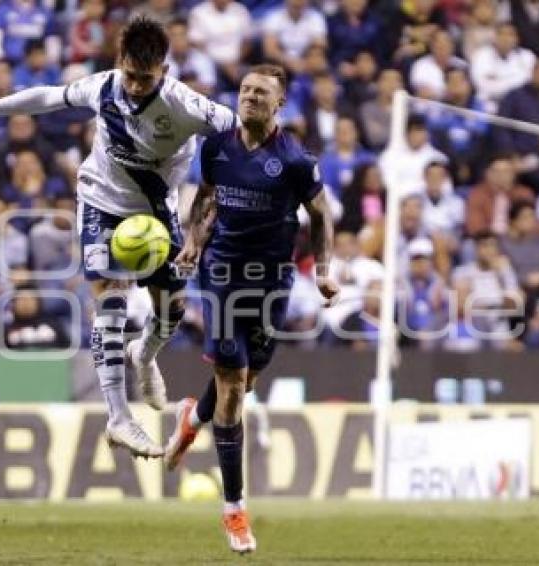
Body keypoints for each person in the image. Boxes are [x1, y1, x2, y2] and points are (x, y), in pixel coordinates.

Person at [0, 16, 237, 458]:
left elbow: (240, 135)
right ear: (120, 62)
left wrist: (203, 220)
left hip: (155, 214)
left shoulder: (189, 106)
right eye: (130, 74)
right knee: (109, 296)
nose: (134, 86)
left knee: (171, 311)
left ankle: (144, 355)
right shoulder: (104, 86)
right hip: (100, 202)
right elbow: (49, 98)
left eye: (145, 79)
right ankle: (119, 417)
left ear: (165, 72)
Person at [164, 65, 338, 553]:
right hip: (220, 275)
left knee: (245, 380)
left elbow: (321, 213)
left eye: (261, 93)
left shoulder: (296, 160)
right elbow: (206, 199)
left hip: (272, 282)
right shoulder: (217, 146)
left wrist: (323, 269)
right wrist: (194, 243)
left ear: (279, 103)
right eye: (244, 90)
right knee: (234, 389)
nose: (249, 98)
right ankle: (235, 510)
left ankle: (191, 420)